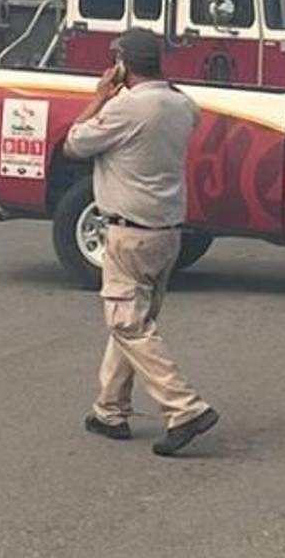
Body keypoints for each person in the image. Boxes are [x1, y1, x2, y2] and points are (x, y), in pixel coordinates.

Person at [62, 29, 220, 457]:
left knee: (126, 323)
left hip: (127, 232)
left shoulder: (126, 109)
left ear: (121, 64)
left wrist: (100, 96)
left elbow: (73, 144)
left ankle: (184, 407)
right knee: (132, 323)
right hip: (167, 233)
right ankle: (109, 410)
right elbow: (176, 100)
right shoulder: (183, 106)